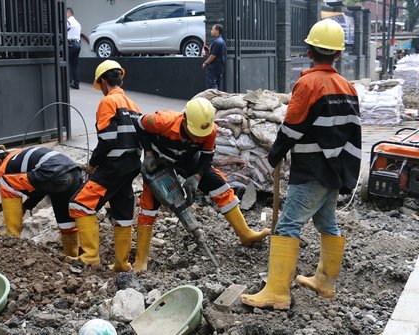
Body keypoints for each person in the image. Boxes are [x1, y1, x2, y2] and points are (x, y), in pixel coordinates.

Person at [240, 19, 361, 310]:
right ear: (339, 54)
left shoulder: (308, 83)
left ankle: (277, 293)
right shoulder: (347, 87)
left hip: (312, 170)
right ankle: (325, 282)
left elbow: (293, 126)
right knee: (326, 221)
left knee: (286, 225)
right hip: (335, 169)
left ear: (309, 52)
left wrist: (276, 153)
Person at [132, 97, 271, 272]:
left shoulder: (209, 130)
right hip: (160, 159)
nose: (198, 137)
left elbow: (206, 157)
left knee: (219, 185)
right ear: (185, 120)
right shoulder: (162, 121)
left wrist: (196, 177)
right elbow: (139, 123)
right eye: (194, 133)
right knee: (149, 206)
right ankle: (141, 260)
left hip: (188, 158)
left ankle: (245, 234)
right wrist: (150, 153)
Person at [68, 60, 141, 272]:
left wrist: (92, 164)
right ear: (120, 79)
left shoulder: (108, 102)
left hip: (113, 167)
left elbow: (108, 139)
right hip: (130, 167)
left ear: (102, 82)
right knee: (123, 213)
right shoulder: (132, 104)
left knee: (80, 204)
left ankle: (90, 257)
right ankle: (121, 264)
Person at [0, 144, 84, 257]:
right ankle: (72, 258)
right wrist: (24, 206)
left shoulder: (6, 168)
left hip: (52, 175)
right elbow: (41, 187)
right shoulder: (20, 155)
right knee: (66, 224)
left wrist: (15, 209)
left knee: (5, 181)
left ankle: (12, 236)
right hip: (74, 173)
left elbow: (14, 191)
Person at [202, 24, 226, 90]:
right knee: (218, 83)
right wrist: (208, 50)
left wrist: (206, 63)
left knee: (212, 84)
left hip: (214, 66)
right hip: (219, 66)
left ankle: (213, 99)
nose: (211, 31)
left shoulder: (217, 42)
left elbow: (213, 55)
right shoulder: (222, 41)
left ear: (217, 30)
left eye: (212, 29)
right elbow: (217, 53)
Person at [66, 7, 82, 89]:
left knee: (66, 63)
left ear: (68, 13)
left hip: (70, 44)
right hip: (78, 44)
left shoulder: (68, 21)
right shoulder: (78, 23)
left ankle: (67, 83)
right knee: (75, 64)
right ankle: (76, 83)